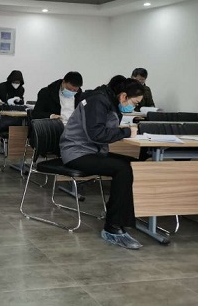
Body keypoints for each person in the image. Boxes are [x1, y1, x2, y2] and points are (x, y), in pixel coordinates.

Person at [60, 75, 145, 249]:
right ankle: (112, 228)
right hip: (76, 152)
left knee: (134, 165)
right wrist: (126, 132)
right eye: (135, 103)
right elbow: (96, 134)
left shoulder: (108, 101)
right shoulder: (97, 101)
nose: (134, 107)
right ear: (123, 96)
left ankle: (118, 216)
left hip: (92, 151)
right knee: (122, 169)